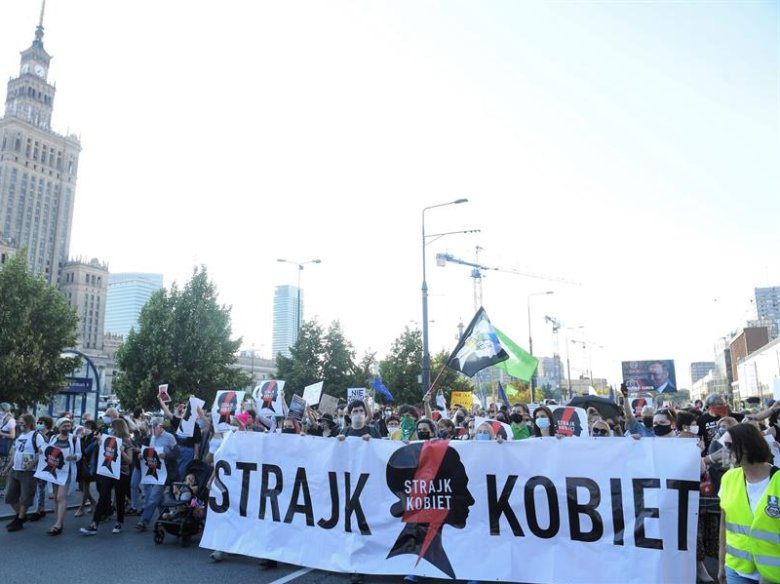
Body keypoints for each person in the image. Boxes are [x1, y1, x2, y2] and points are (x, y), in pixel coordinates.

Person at [717, 423, 780, 584]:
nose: (725, 451)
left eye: (729, 446)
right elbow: (724, 525)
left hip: (774, 574)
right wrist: (721, 564)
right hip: (737, 570)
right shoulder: (729, 478)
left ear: (749, 445)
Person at [80, 418, 134, 535]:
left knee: (119, 498)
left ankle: (119, 521)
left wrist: (122, 452)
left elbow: (129, 460)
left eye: (112, 427)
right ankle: (94, 524)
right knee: (103, 496)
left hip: (121, 473)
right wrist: (100, 444)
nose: (110, 429)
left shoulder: (127, 441)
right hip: (109, 471)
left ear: (117, 428)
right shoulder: (109, 439)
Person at [2, 414, 46, 532]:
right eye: (19, 422)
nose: (19, 424)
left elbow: (41, 452)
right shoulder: (21, 436)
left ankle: (20, 519)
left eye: (22, 422)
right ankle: (20, 516)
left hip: (28, 471)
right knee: (10, 496)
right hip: (16, 469)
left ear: (28, 422)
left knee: (26, 497)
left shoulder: (37, 436)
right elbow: (16, 453)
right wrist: (7, 468)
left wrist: (32, 464)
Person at [135, 418, 179, 532]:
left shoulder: (169, 437)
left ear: (161, 427)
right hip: (156, 471)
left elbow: (177, 453)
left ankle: (143, 521)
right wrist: (142, 455)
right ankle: (165, 519)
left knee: (154, 497)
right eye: (152, 427)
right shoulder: (153, 438)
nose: (153, 429)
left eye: (155, 427)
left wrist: (166, 455)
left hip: (166, 472)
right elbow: (151, 453)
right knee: (158, 499)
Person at [46, 417, 82, 535]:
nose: (67, 428)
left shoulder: (75, 439)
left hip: (67, 471)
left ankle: (58, 524)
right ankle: (58, 521)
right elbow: (48, 450)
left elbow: (79, 454)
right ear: (59, 427)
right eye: (64, 426)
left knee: (61, 497)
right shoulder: (53, 438)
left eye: (69, 426)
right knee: (56, 497)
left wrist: (74, 457)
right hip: (54, 470)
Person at [75, 419, 98, 517]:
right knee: (84, 487)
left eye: (88, 426)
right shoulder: (82, 437)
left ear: (93, 428)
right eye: (85, 426)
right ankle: (93, 503)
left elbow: (86, 451)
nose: (86, 428)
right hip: (81, 464)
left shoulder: (94, 438)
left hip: (88, 465)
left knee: (85, 486)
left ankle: (82, 507)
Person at [0, 403, 16, 471]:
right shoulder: (3, 418)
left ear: (4, 410)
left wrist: (1, 433)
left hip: (4, 446)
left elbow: (12, 436)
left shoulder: (10, 420)